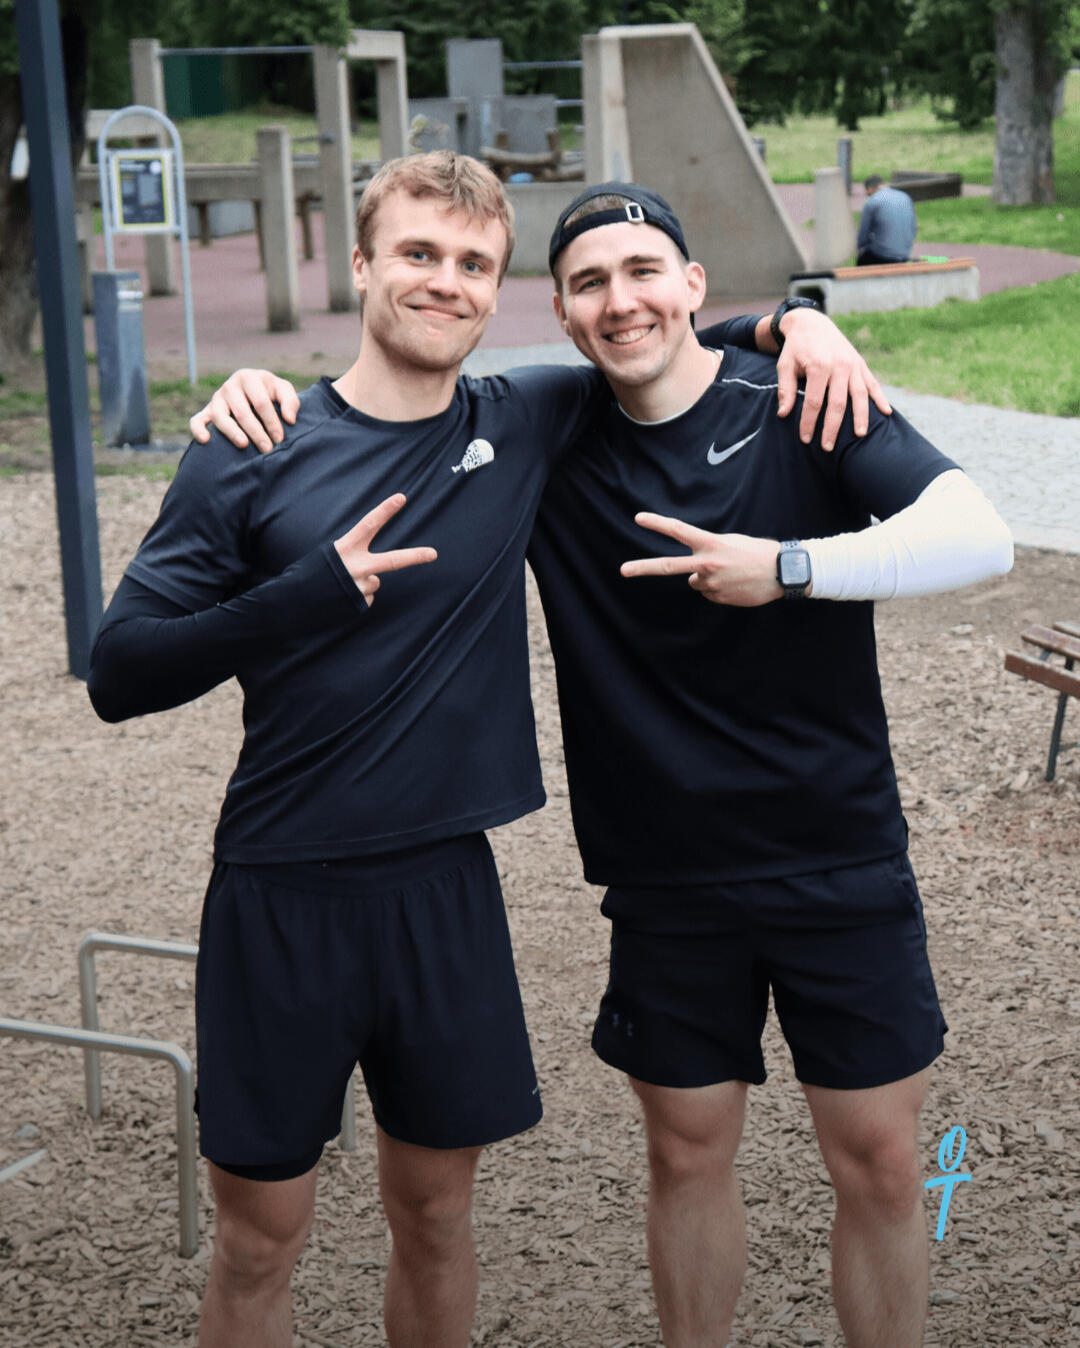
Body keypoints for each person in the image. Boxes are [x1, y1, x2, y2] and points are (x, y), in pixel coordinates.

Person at [88, 151, 880, 1348]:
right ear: (362, 264)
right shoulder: (256, 441)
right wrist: (303, 595)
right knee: (259, 1240)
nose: (445, 281)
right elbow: (119, 670)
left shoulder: (526, 419)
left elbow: (650, 335)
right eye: (418, 253)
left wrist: (794, 321)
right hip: (282, 892)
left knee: (438, 1216)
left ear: (500, 292)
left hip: (447, 892)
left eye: (473, 263)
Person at [857, 174, 918, 265]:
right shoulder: (905, 197)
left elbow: (862, 236)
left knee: (863, 257)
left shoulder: (872, 201)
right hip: (904, 254)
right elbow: (913, 228)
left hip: (883, 256)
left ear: (869, 189)